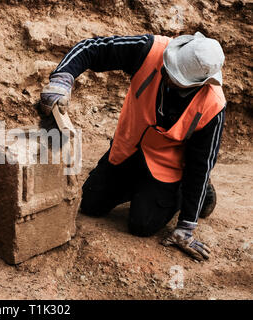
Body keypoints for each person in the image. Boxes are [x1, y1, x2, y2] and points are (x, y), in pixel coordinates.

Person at [40, 32, 226, 261]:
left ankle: (187, 192)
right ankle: (139, 188)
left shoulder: (213, 105)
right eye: (168, 67)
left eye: (174, 77)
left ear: (198, 83)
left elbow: (201, 166)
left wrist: (186, 226)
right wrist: (63, 78)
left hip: (166, 166)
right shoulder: (152, 50)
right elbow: (92, 48)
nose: (165, 73)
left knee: (142, 225)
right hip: (127, 149)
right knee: (90, 203)